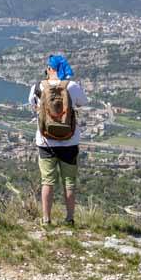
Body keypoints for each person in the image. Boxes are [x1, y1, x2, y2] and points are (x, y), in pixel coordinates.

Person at [28, 53, 88, 227]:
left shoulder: (38, 86)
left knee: (47, 181)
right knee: (69, 182)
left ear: (49, 68)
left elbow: (32, 104)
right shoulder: (72, 86)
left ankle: (46, 220)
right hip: (69, 141)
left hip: (46, 142)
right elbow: (82, 103)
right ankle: (69, 219)